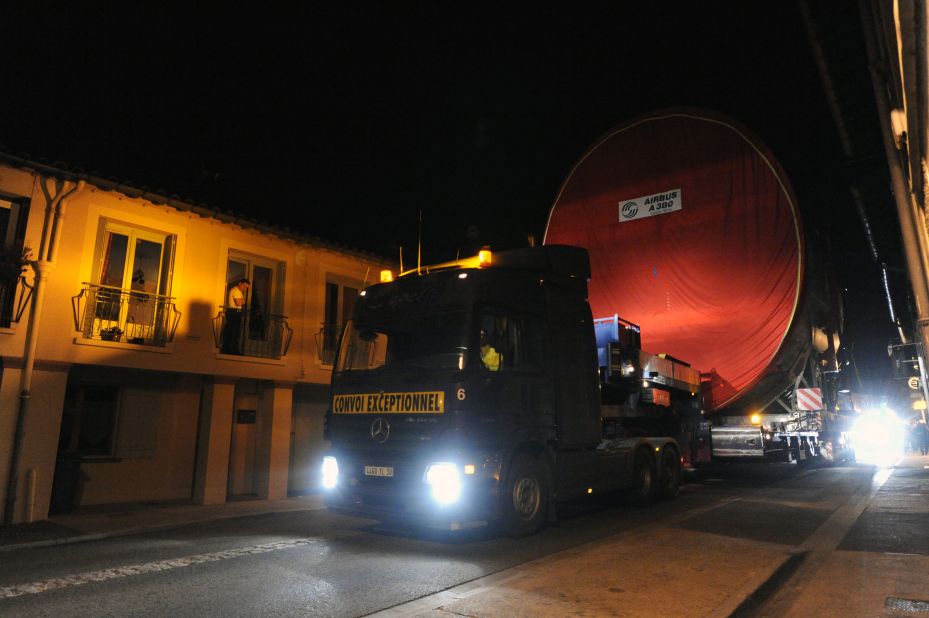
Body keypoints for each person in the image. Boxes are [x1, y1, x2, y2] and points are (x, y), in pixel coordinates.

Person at [222, 278, 249, 354]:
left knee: (235, 331)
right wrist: (242, 301)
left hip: (235, 312)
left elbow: (242, 301)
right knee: (233, 331)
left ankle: (231, 349)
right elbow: (239, 303)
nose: (244, 288)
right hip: (234, 312)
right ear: (240, 283)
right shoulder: (236, 291)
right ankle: (230, 350)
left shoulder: (238, 291)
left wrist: (242, 301)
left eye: (246, 287)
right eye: (244, 286)